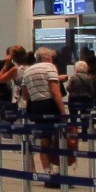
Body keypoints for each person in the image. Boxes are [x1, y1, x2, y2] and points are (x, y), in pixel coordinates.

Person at [22, 47, 66, 182]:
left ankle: (47, 171)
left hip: (36, 106)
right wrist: (63, 110)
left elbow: (25, 95)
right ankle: (60, 170)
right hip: (50, 104)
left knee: (44, 138)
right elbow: (54, 90)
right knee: (58, 137)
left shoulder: (28, 70)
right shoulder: (50, 67)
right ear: (48, 57)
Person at [66, 60, 95, 134]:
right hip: (86, 99)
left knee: (73, 117)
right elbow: (92, 89)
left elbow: (68, 88)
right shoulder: (88, 78)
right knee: (85, 117)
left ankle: (74, 132)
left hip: (74, 99)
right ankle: (84, 133)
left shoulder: (73, 77)